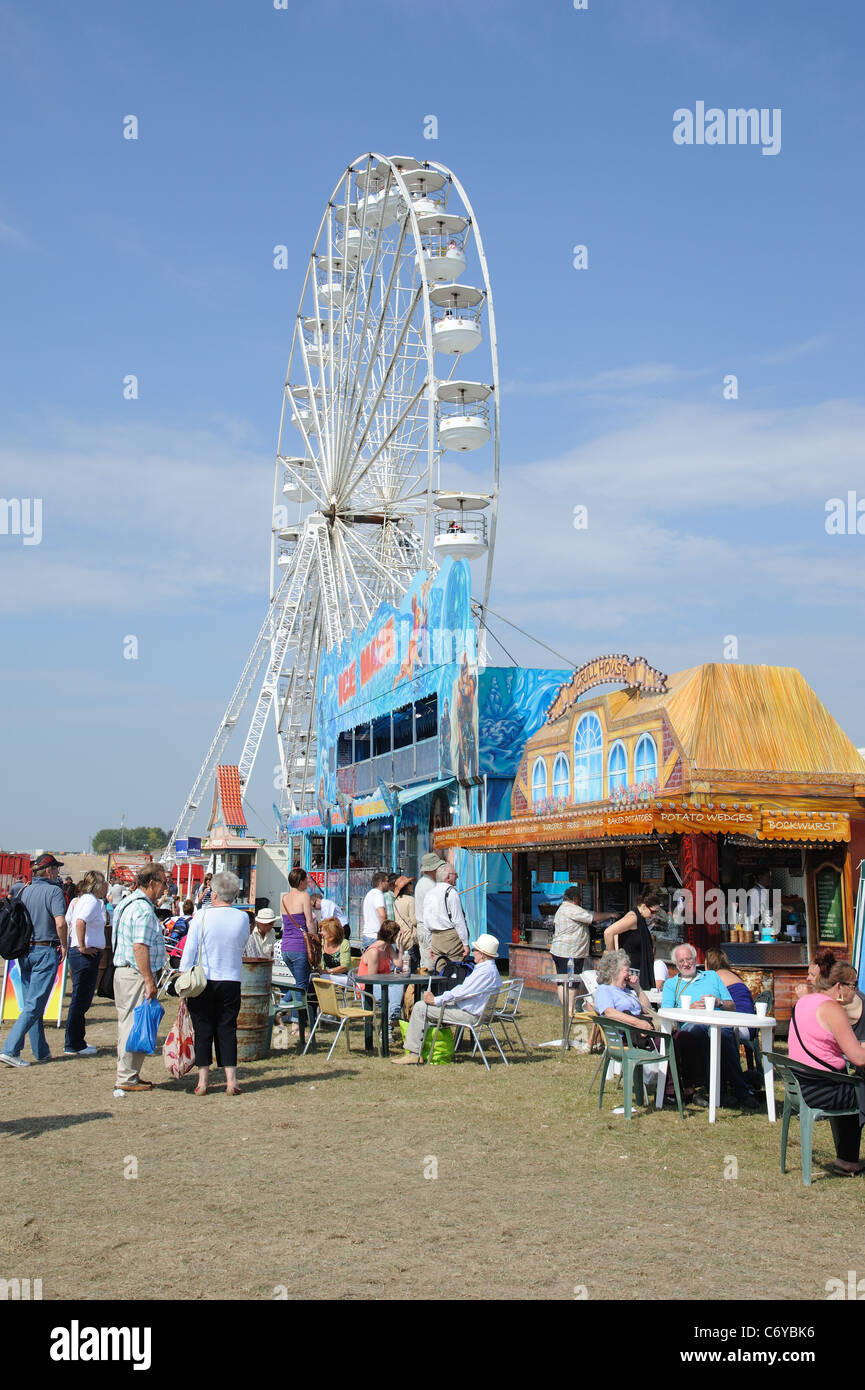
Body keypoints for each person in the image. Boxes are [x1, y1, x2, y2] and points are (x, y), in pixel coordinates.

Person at [788, 963, 865, 1174]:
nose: (856, 990)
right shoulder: (831, 1008)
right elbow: (858, 1057)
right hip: (822, 1090)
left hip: (801, 1085)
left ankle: (846, 1159)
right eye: (854, 985)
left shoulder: (806, 1001)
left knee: (854, 1082)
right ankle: (846, 1159)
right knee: (858, 1087)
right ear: (839, 986)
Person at [661, 942, 757, 1109]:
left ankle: (737, 1090)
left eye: (689, 959)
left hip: (718, 1022)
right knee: (700, 1031)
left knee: (722, 1033)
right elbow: (665, 1012)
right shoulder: (671, 984)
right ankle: (724, 1090)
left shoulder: (712, 976)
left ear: (695, 959)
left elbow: (732, 1006)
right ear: (676, 965)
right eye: (681, 961)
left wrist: (718, 1001)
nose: (686, 964)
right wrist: (688, 1008)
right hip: (692, 1025)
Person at [179, 871, 250, 1096]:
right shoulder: (242, 918)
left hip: (203, 980)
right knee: (227, 1029)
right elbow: (243, 944)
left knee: (203, 1029)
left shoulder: (201, 916)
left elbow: (189, 949)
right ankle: (231, 1080)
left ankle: (203, 1081)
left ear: (215, 893)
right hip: (231, 979)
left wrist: (182, 977)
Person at [392, 933, 502, 1065]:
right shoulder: (491, 969)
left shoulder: (484, 972)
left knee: (420, 1007)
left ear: (483, 954)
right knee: (429, 1005)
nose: (473, 953)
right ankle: (426, 1048)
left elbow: (461, 991)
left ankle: (414, 1053)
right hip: (477, 1012)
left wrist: (436, 1000)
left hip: (469, 1014)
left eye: (475, 950)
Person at [0, 853, 67, 1067]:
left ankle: (41, 1051)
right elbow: (60, 923)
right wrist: (64, 945)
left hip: (24, 951)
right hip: (44, 949)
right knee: (35, 1004)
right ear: (48, 871)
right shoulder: (54, 891)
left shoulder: (24, 890)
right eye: (55, 869)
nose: (58, 872)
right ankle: (10, 1049)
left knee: (31, 1003)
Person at [111, 863, 168, 1096]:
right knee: (133, 1025)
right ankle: (126, 1077)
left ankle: (130, 1073)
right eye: (164, 882)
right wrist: (148, 979)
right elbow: (139, 946)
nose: (166, 887)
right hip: (135, 973)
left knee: (129, 1023)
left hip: (126, 972)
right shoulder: (143, 910)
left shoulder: (126, 903)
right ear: (152, 882)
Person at [64, 869, 109, 1057]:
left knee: (81, 999)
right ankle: (74, 1043)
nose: (107, 885)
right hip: (84, 955)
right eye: (104, 882)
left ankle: (76, 1041)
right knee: (80, 999)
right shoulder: (90, 901)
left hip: (85, 953)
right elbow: (80, 922)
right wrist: (82, 946)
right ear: (98, 885)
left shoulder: (87, 900)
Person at [549, 885, 612, 1017]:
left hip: (559, 950)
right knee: (572, 982)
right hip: (571, 952)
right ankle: (571, 1010)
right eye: (580, 899)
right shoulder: (572, 909)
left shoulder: (562, 908)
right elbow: (593, 916)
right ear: (575, 899)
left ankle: (566, 1009)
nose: (581, 902)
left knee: (562, 981)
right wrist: (611, 914)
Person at [278, 867, 319, 1035]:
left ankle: (285, 1013)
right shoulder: (304, 896)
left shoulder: (285, 898)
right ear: (301, 881)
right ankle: (288, 1017)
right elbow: (309, 922)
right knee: (301, 986)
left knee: (298, 983)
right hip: (300, 946)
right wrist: (315, 938)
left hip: (286, 946)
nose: (308, 883)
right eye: (306, 880)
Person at [603, 889, 661, 989]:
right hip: (631, 972)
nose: (653, 915)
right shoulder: (633, 917)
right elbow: (608, 932)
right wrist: (613, 958)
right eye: (653, 912)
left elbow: (617, 934)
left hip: (636, 969)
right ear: (643, 906)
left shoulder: (639, 918)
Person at [594, 949, 656, 1036]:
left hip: (642, 1030)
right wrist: (638, 1023)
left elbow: (647, 1010)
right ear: (613, 972)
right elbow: (609, 1012)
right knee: (673, 1041)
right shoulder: (604, 989)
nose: (629, 974)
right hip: (626, 1036)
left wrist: (638, 988)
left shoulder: (627, 991)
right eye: (626, 971)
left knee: (679, 1037)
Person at [424, 863, 470, 964]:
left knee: (440, 971)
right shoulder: (451, 892)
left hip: (435, 937)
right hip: (451, 938)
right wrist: (465, 943)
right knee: (455, 970)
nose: (457, 876)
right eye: (455, 874)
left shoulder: (429, 893)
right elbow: (458, 921)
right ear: (448, 877)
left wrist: (430, 944)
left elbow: (426, 921)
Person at [415, 851, 444, 970]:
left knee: (427, 960)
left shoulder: (424, 882)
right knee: (430, 964)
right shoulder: (429, 885)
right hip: (428, 928)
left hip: (424, 927)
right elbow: (435, 910)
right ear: (433, 869)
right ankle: (426, 987)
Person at [392, 876, 419, 971]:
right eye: (410, 884)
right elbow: (414, 920)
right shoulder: (411, 900)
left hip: (400, 938)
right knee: (412, 970)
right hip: (410, 939)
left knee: (403, 969)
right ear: (406, 887)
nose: (412, 886)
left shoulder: (396, 901)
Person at [361, 870, 389, 948]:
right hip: (375, 937)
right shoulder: (378, 894)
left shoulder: (370, 894)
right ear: (381, 882)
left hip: (368, 936)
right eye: (387, 881)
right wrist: (385, 935)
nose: (388, 883)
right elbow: (382, 915)